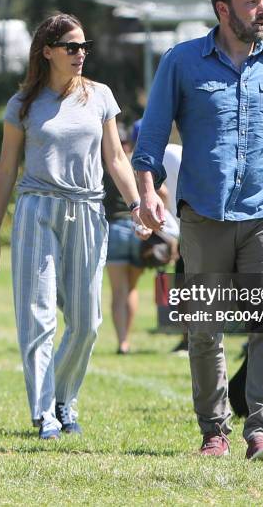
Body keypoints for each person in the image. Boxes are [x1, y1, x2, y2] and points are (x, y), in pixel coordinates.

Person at [133, 0, 263, 460]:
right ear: (223, 9)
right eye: (253, 3)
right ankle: (214, 431)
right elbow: (151, 139)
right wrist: (147, 191)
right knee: (205, 329)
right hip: (203, 216)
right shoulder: (181, 62)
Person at [0, 13, 150, 440]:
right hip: (37, 210)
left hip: (89, 213)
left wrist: (136, 203)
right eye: (71, 47)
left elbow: (115, 158)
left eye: (84, 47)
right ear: (48, 51)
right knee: (39, 319)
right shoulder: (22, 105)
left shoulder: (100, 96)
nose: (80, 54)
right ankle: (45, 415)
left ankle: (63, 397)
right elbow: (5, 171)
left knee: (87, 321)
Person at [103, 122, 146, 355]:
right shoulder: (138, 164)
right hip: (137, 228)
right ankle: (127, 339)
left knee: (118, 290)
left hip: (115, 229)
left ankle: (122, 341)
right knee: (132, 288)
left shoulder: (107, 165)